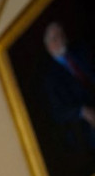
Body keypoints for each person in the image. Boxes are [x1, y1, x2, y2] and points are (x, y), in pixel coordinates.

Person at [40, 21, 95, 152]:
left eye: (61, 34)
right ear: (49, 46)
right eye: (55, 38)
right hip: (83, 124)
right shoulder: (50, 78)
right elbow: (58, 112)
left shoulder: (81, 51)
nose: (61, 39)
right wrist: (82, 111)